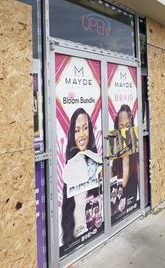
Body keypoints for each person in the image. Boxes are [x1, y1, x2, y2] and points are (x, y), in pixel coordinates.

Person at [61, 108, 103, 246]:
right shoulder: (71, 168)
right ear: (72, 134)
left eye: (85, 128)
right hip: (74, 238)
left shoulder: (96, 162)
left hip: (94, 231)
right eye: (77, 130)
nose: (82, 135)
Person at [111, 104, 139, 216]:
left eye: (127, 126)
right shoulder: (114, 155)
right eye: (121, 127)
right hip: (116, 213)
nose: (124, 131)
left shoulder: (136, 156)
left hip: (132, 209)